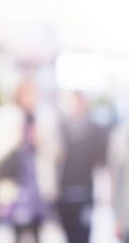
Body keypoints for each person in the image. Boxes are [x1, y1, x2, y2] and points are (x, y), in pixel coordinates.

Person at [0, 77, 60, 243]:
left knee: (38, 230)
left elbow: (57, 152)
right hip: (15, 184)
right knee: (17, 230)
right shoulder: (7, 116)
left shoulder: (43, 117)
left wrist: (40, 140)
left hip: (37, 185)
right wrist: (17, 140)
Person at [56, 92, 108, 243]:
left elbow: (101, 162)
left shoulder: (94, 130)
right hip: (65, 191)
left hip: (85, 190)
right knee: (69, 234)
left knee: (83, 234)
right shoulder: (61, 129)